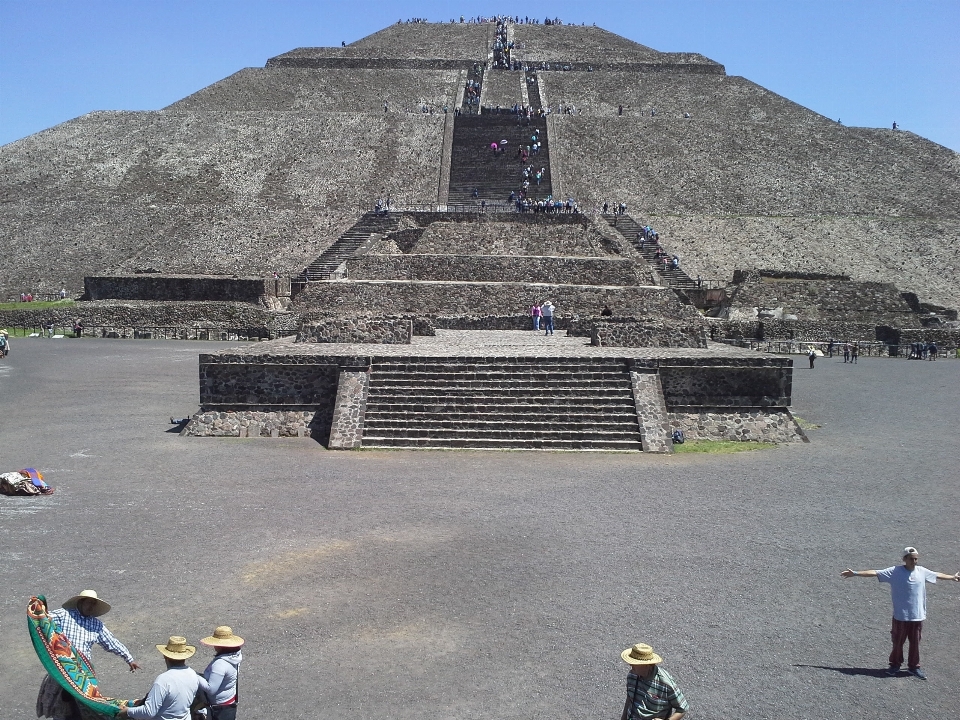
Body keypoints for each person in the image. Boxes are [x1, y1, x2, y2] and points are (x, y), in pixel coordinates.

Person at [841, 546, 960, 678]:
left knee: (915, 643)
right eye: (911, 559)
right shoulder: (894, 572)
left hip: (917, 616)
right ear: (904, 559)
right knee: (898, 642)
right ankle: (895, 665)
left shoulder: (922, 571)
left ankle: (914, 667)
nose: (914, 561)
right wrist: (856, 573)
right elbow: (875, 572)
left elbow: (937, 574)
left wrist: (952, 577)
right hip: (901, 616)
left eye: (916, 559)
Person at [37, 590, 140, 720]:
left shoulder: (96, 625)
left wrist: (129, 658)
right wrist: (38, 606)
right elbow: (45, 619)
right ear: (81, 602)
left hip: (83, 673)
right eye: (88, 603)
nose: (91, 606)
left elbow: (112, 642)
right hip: (63, 669)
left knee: (85, 706)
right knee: (61, 706)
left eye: (93, 604)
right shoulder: (64, 615)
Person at [121, 636, 204, 719]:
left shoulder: (163, 680)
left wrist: (128, 711)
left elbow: (149, 712)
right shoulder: (193, 674)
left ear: (165, 656)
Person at [620, 643, 688, 720]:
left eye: (634, 663)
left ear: (647, 665)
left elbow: (683, 708)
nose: (630, 665)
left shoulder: (665, 683)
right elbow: (629, 698)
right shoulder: (632, 675)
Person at [199, 626, 244, 719]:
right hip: (229, 703)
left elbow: (211, 689)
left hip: (218, 708)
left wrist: (194, 676)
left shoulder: (220, 664)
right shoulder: (235, 656)